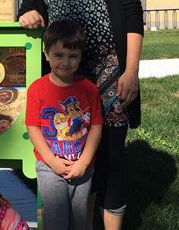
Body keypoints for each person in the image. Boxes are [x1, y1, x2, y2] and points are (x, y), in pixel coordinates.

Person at [18, 0, 144, 228]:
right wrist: (28, 13)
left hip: (111, 71)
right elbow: (28, 6)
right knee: (73, 156)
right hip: (64, 76)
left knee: (112, 159)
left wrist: (131, 71)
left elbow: (132, 15)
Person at [25, 19, 103, 230]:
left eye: (72, 56)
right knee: (56, 221)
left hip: (82, 167)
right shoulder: (37, 89)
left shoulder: (89, 89)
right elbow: (32, 127)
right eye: (59, 55)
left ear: (80, 56)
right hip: (49, 167)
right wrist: (51, 161)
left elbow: (96, 127)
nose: (65, 62)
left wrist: (84, 162)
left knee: (79, 221)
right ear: (46, 54)